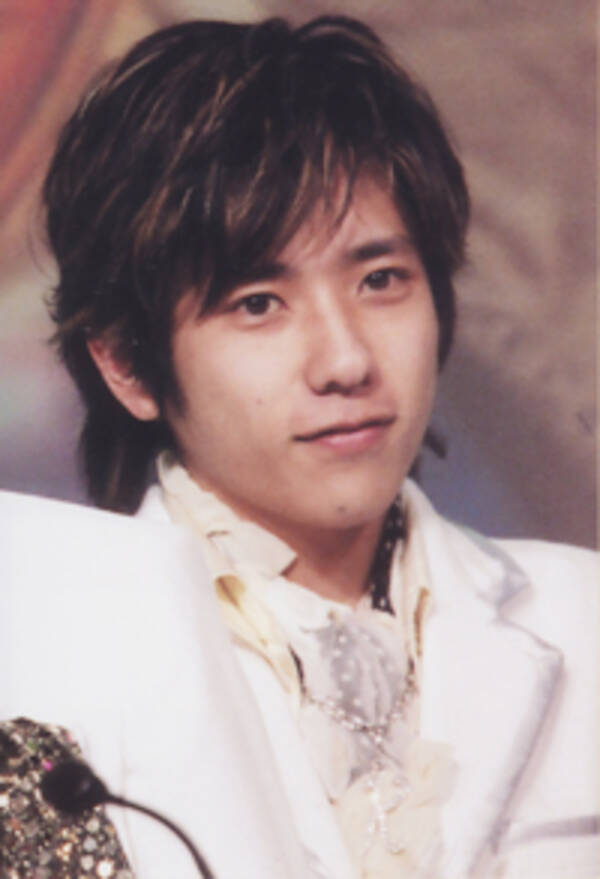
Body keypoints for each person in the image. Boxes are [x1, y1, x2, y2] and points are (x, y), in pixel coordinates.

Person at [0, 15, 598, 879]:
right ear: (128, 363)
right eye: (257, 304)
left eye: (381, 280)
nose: (346, 359)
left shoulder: (584, 614)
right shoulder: (42, 671)